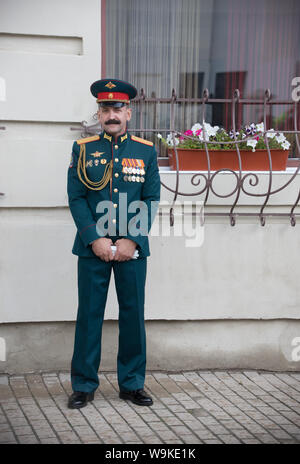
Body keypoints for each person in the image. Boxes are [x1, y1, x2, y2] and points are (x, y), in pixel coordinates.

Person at [67, 78, 161, 409]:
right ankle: (84, 384)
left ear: (129, 113)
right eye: (105, 108)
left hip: (131, 252)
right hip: (92, 250)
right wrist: (95, 239)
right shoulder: (83, 149)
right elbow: (77, 197)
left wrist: (131, 239)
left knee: (133, 316)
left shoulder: (146, 151)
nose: (111, 114)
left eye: (117, 109)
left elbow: (150, 198)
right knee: (89, 316)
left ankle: (132, 383)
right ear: (99, 112)